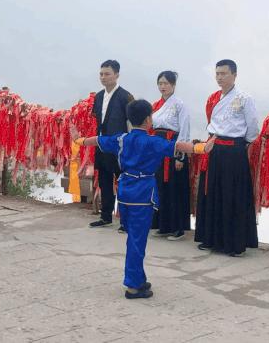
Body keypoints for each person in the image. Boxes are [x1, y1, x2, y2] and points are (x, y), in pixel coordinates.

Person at [77, 100, 202, 299]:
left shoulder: (121, 139)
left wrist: (80, 140)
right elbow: (179, 146)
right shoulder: (153, 141)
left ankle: (139, 278)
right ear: (148, 120)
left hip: (125, 193)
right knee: (137, 241)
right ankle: (133, 286)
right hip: (142, 194)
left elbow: (98, 140)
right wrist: (202, 148)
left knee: (133, 239)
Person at [196, 59, 260, 257]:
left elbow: (253, 126)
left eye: (224, 73)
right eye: (217, 74)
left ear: (234, 75)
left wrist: (244, 142)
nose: (220, 77)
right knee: (213, 193)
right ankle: (211, 239)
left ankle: (234, 244)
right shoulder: (213, 98)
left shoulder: (244, 98)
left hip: (234, 150)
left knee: (232, 195)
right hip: (214, 148)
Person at [90, 59, 135, 229]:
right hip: (102, 144)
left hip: (120, 147)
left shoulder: (126, 97)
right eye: (101, 74)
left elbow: (131, 123)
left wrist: (130, 146)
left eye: (107, 74)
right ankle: (105, 216)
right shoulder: (99, 96)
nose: (103, 77)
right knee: (104, 181)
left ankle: (126, 220)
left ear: (116, 75)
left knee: (123, 182)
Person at [149, 71, 192, 240]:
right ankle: (163, 225)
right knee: (161, 186)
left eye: (166, 83)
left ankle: (178, 228)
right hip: (159, 148)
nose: (163, 86)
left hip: (173, 146)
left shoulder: (180, 105)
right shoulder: (156, 105)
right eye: (160, 83)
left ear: (173, 85)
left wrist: (180, 156)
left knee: (175, 187)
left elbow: (184, 130)